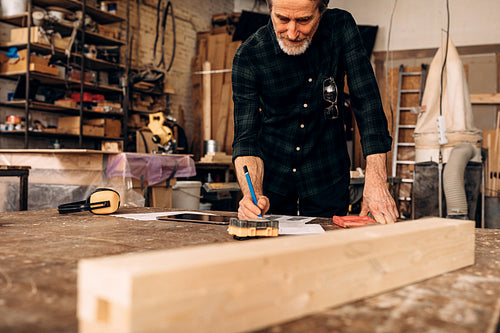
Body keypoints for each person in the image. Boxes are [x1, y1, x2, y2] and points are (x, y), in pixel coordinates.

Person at [231, 0, 399, 224]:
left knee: (330, 254)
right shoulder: (249, 56)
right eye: (282, 19)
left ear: (321, 11)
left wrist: (376, 179)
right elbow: (246, 139)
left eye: (303, 20)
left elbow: (367, 101)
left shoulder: (340, 27)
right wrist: (252, 196)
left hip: (326, 172)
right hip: (273, 178)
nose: (291, 33)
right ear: (270, 9)